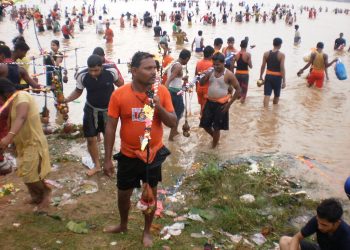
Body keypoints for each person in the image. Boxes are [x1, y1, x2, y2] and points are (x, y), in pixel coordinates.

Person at [103, 52, 176, 247]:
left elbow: (173, 122)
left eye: (155, 67)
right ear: (134, 71)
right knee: (123, 193)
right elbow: (110, 126)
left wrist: (158, 106)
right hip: (128, 153)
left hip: (153, 154)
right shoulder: (119, 94)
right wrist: (107, 158)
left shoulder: (162, 92)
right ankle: (123, 224)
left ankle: (146, 231)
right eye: (148, 68)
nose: (154, 72)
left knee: (150, 193)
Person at [63, 55, 122, 176]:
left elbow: (121, 85)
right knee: (90, 138)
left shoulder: (111, 71)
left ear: (101, 67)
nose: (93, 73)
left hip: (109, 111)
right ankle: (97, 165)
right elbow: (78, 91)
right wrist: (67, 99)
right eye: (90, 70)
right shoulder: (82, 75)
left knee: (108, 137)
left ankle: (108, 161)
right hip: (90, 109)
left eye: (96, 70)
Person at [0, 78, 51, 211]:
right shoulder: (12, 102)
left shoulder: (22, 97)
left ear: (5, 94)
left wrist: (8, 138)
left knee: (31, 174)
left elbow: (21, 117)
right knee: (24, 173)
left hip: (34, 142)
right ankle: (36, 196)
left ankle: (46, 193)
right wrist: (12, 143)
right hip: (22, 143)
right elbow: (12, 121)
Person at [199, 53, 241, 148]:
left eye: (218, 64)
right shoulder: (210, 72)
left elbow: (238, 90)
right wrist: (204, 76)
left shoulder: (229, 74)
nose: (215, 66)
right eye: (214, 64)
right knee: (204, 124)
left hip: (221, 105)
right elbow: (201, 84)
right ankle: (216, 139)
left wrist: (229, 104)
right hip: (209, 102)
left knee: (217, 127)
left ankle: (214, 148)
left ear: (223, 63)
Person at [279, 198, 350, 250]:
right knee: (284, 241)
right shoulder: (318, 220)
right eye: (318, 222)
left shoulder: (347, 236)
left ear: (337, 223)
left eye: (324, 225)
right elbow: (296, 238)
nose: (319, 227)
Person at [165, 49, 191, 141]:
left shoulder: (173, 63)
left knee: (176, 113)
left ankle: (174, 131)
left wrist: (182, 78)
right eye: (188, 60)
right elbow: (169, 79)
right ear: (187, 58)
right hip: (175, 93)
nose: (187, 62)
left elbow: (171, 76)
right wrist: (165, 92)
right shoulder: (179, 66)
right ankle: (171, 137)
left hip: (172, 91)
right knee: (178, 114)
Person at [259, 38, 286, 108]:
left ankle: (265, 111)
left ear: (273, 44)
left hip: (268, 76)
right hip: (277, 78)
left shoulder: (266, 54)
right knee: (276, 95)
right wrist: (284, 81)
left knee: (267, 95)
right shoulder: (282, 55)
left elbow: (263, 66)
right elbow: (282, 68)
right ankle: (275, 111)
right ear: (280, 45)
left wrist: (260, 76)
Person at [195, 45, 214, 113]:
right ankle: (202, 121)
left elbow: (196, 76)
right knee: (206, 109)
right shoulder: (212, 64)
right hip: (207, 89)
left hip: (199, 88)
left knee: (202, 107)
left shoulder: (198, 63)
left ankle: (201, 120)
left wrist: (196, 87)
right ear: (211, 54)